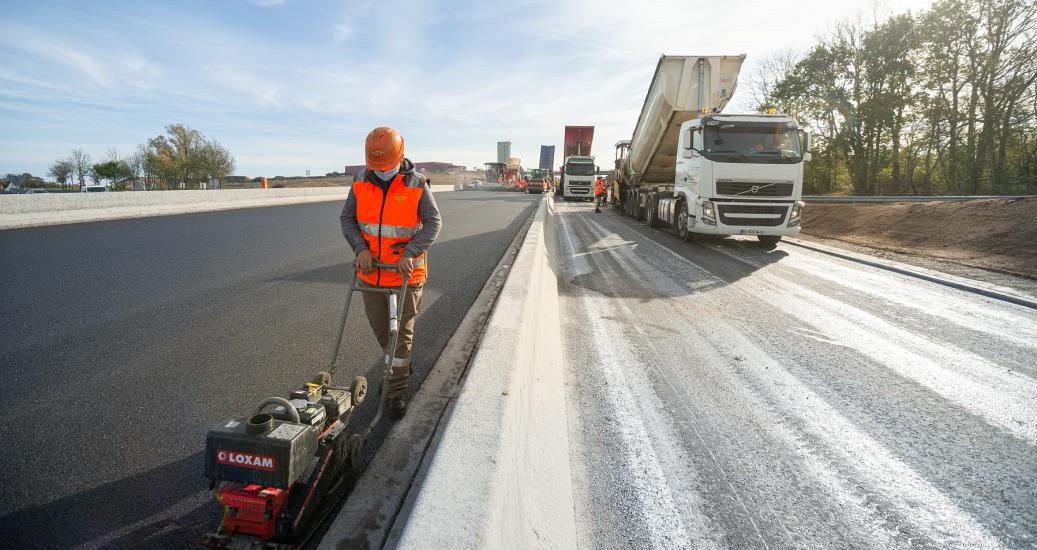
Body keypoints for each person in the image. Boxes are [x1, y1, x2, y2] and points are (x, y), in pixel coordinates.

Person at [340, 127, 442, 417]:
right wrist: (360, 249)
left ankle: (396, 390)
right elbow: (347, 218)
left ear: (400, 157)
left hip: (406, 275)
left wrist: (410, 252)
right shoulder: (360, 181)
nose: (382, 170)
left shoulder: (416, 184)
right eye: (377, 166)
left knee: (401, 334)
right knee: (383, 332)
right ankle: (398, 367)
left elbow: (434, 222)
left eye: (386, 165)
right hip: (371, 273)